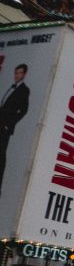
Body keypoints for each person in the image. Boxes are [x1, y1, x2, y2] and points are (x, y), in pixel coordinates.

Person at [0, 63, 30, 197]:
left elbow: (23, 110)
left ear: (24, 74)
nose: (16, 75)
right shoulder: (12, 87)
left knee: (1, 155)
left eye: (19, 73)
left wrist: (10, 124)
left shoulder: (24, 90)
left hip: (5, 127)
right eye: (16, 73)